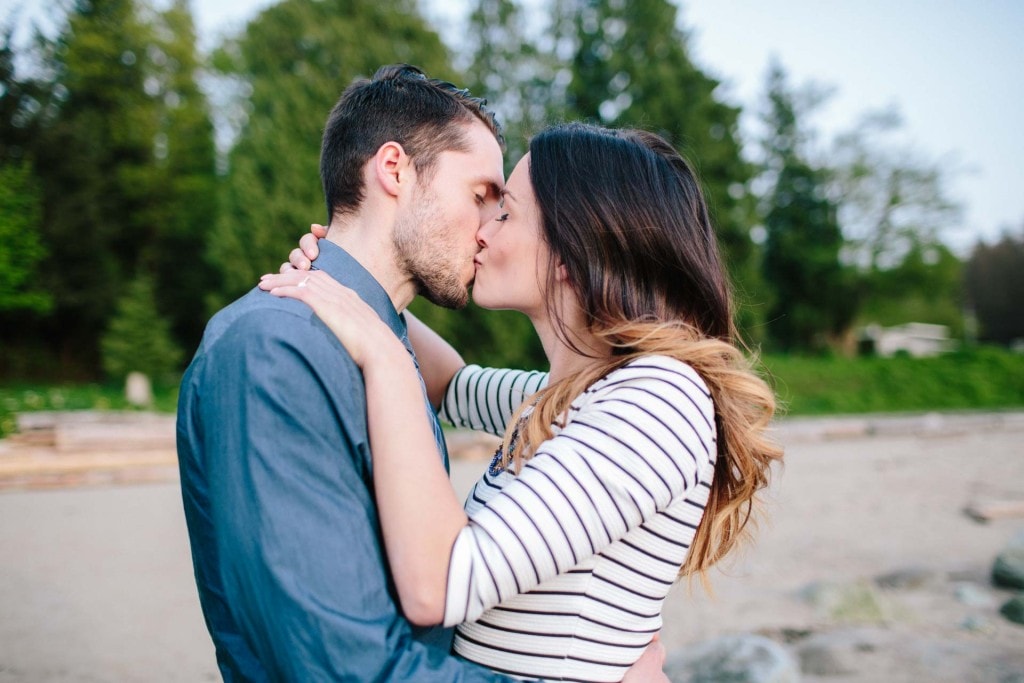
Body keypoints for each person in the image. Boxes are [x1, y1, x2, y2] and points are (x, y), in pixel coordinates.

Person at [177, 63, 666, 681]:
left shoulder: (378, 346)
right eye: (481, 196)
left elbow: (455, 383)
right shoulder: (275, 349)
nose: (491, 228)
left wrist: (342, 285)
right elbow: (346, 666)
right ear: (394, 170)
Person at [263, 122, 784, 682]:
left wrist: (382, 357)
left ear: (571, 249)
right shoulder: (573, 399)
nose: (484, 230)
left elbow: (439, 585)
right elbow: (451, 384)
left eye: (507, 212)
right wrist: (355, 280)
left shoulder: (656, 400)